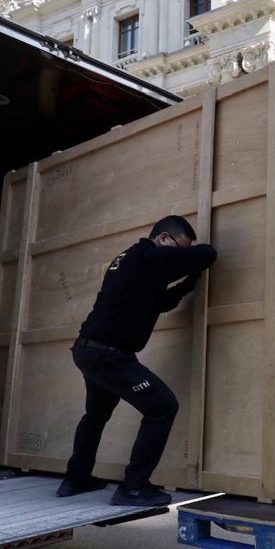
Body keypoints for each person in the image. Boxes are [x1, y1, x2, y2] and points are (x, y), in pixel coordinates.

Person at [58, 215, 217, 507]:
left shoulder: (134, 261)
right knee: (163, 407)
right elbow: (208, 254)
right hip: (109, 355)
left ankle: (76, 478)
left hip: (91, 351)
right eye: (179, 248)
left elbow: (159, 303)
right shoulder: (146, 254)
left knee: (96, 414)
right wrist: (190, 261)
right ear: (163, 238)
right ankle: (133, 487)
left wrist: (186, 286)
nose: (181, 255)